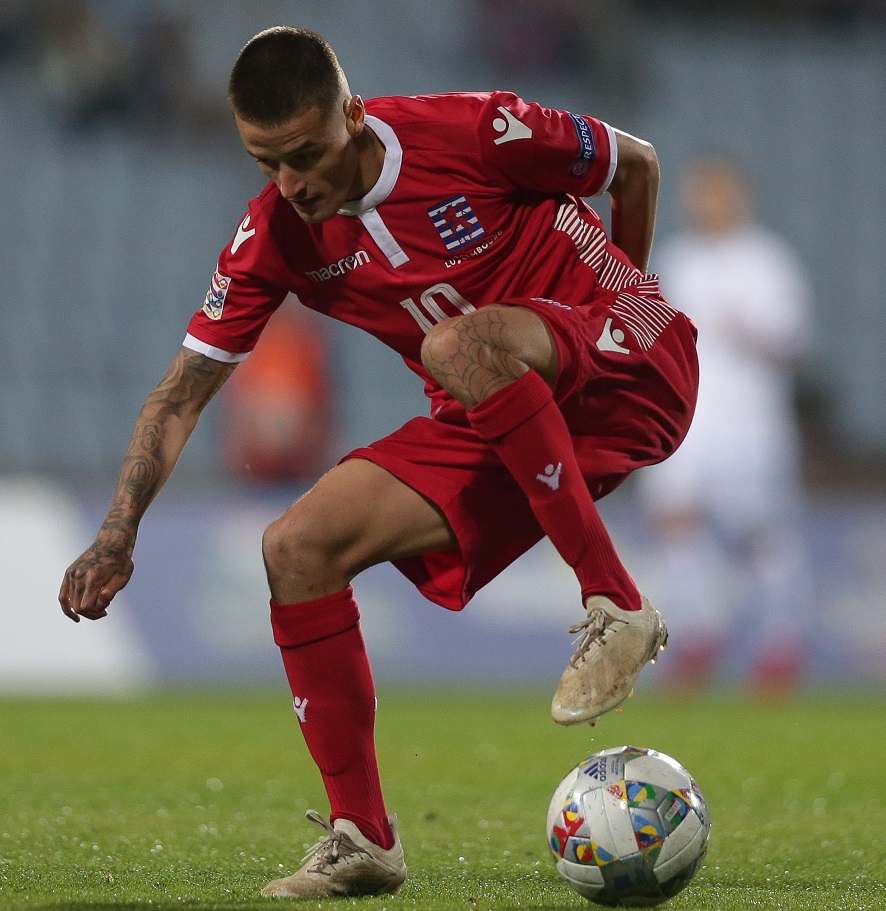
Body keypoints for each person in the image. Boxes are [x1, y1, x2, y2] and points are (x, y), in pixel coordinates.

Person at [58, 26, 698, 899]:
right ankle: (365, 837)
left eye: (307, 155)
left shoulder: (477, 132)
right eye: (265, 162)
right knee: (297, 546)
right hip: (497, 408)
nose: (293, 183)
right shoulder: (275, 234)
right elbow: (180, 395)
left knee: (453, 344)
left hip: (628, 355)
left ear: (352, 116)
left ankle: (615, 600)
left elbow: (638, 164)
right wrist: (116, 531)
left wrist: (621, 297)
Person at [635, 155, 814, 694]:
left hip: (749, 421)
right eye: (698, 192)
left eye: (716, 192)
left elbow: (793, 344)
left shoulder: (766, 260)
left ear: (738, 197)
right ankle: (698, 635)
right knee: (673, 519)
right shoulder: (675, 258)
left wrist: (753, 332)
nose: (705, 203)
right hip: (685, 418)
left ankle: (781, 644)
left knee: (758, 536)